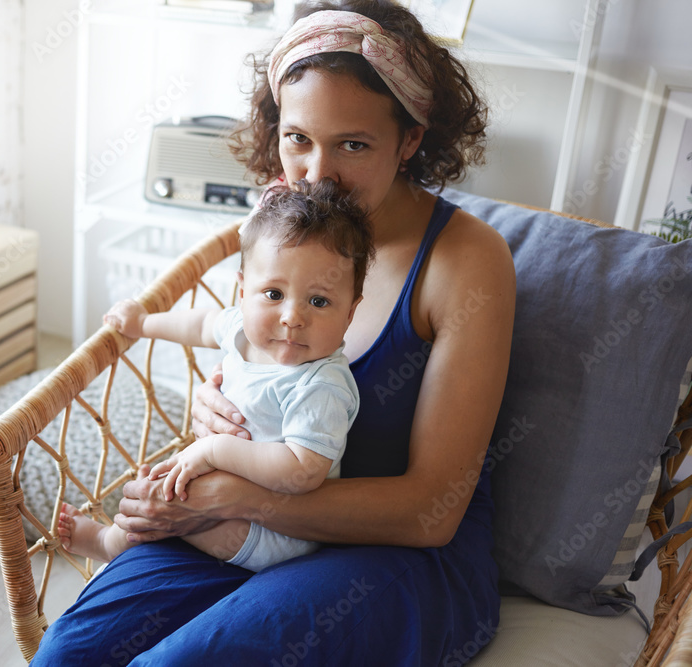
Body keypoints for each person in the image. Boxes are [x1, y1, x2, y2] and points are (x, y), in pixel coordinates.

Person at [32, 1, 515, 664]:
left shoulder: (465, 260)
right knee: (66, 652)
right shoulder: (281, 223)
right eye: (298, 139)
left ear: (410, 138)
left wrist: (228, 492)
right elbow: (246, 345)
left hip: (397, 555)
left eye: (353, 144)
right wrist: (216, 394)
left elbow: (431, 512)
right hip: (253, 527)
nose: (315, 174)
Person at [59, 179, 373, 572]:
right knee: (156, 489)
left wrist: (213, 451)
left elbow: (303, 471)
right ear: (242, 291)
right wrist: (143, 322)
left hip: (276, 531)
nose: (293, 317)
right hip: (224, 490)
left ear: (350, 311)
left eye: (319, 301)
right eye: (274, 294)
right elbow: (202, 324)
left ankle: (111, 543)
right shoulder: (242, 329)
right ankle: (119, 542)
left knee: (167, 502)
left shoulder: (320, 384)